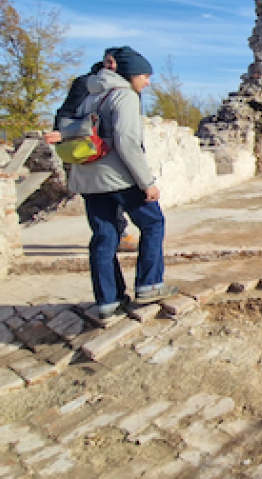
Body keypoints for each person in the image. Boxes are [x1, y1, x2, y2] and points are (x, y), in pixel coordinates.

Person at [68, 46, 176, 321]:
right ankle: (149, 284)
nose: (148, 82)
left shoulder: (89, 96)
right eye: (145, 75)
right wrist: (147, 183)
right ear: (130, 74)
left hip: (89, 179)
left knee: (104, 237)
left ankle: (108, 300)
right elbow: (127, 142)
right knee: (153, 223)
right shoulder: (124, 95)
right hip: (119, 178)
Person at [45, 52, 136, 253]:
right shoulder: (86, 84)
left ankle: (114, 237)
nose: (111, 65)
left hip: (107, 147)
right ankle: (118, 236)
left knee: (110, 197)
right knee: (103, 200)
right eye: (109, 61)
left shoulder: (126, 85)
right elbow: (68, 114)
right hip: (87, 147)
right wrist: (64, 136)